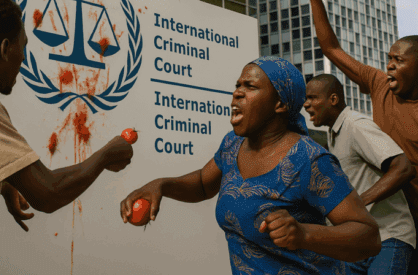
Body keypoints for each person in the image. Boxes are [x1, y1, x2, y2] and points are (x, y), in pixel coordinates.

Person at [120, 55, 381, 274]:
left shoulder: (309, 160)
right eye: (237, 85)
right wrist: (161, 185)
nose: (237, 92)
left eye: (250, 86)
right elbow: (202, 184)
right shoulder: (233, 144)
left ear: (280, 103)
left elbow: (368, 238)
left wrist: (304, 234)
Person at [0, 0, 134, 275]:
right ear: (5, 49)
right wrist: (105, 156)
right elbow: (48, 192)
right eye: (23, 47)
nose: (24, 59)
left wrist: (4, 183)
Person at [307, 0, 418, 273]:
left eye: (399, 60)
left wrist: (358, 202)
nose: (389, 65)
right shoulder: (380, 84)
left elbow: (403, 168)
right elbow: (331, 49)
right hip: (394, 220)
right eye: (389, 58)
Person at [304, 74, 416, 274]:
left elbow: (403, 168)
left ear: (333, 99)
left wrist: (356, 203)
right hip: (361, 243)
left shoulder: (357, 125)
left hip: (389, 238)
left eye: (312, 98)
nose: (306, 104)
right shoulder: (333, 134)